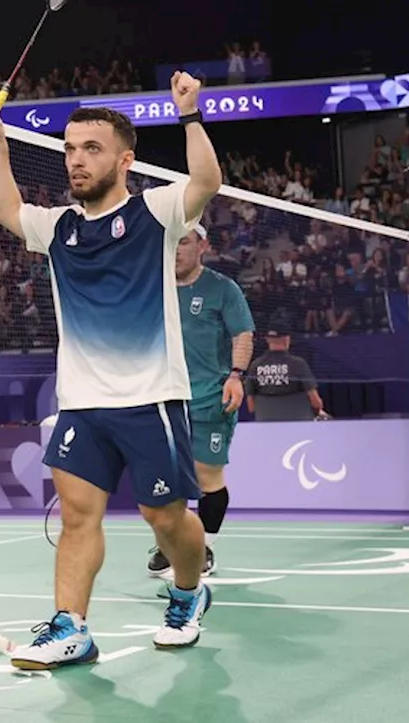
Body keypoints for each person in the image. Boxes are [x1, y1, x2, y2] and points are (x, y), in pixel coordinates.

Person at [0, 70, 222, 669]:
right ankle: (72, 628)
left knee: (165, 518)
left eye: (91, 149)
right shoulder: (58, 228)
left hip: (152, 396)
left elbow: (207, 182)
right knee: (79, 517)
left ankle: (189, 592)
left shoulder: (155, 213)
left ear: (125, 160)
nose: (76, 161)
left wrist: (189, 115)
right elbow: (4, 205)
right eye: (69, 149)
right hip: (82, 402)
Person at [146, 226, 254, 581]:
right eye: (171, 243)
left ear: (203, 246)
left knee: (207, 478)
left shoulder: (223, 289)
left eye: (185, 242)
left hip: (210, 397)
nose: (176, 250)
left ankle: (201, 547)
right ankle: (170, 544)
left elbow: (242, 334)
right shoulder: (154, 287)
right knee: (163, 481)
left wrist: (236, 375)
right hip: (162, 398)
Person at [245, 331, 328, 421]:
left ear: (267, 340)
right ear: (287, 340)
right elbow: (315, 401)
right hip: (299, 425)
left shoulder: (255, 365)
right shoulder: (298, 364)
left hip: (266, 424)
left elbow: (251, 406)